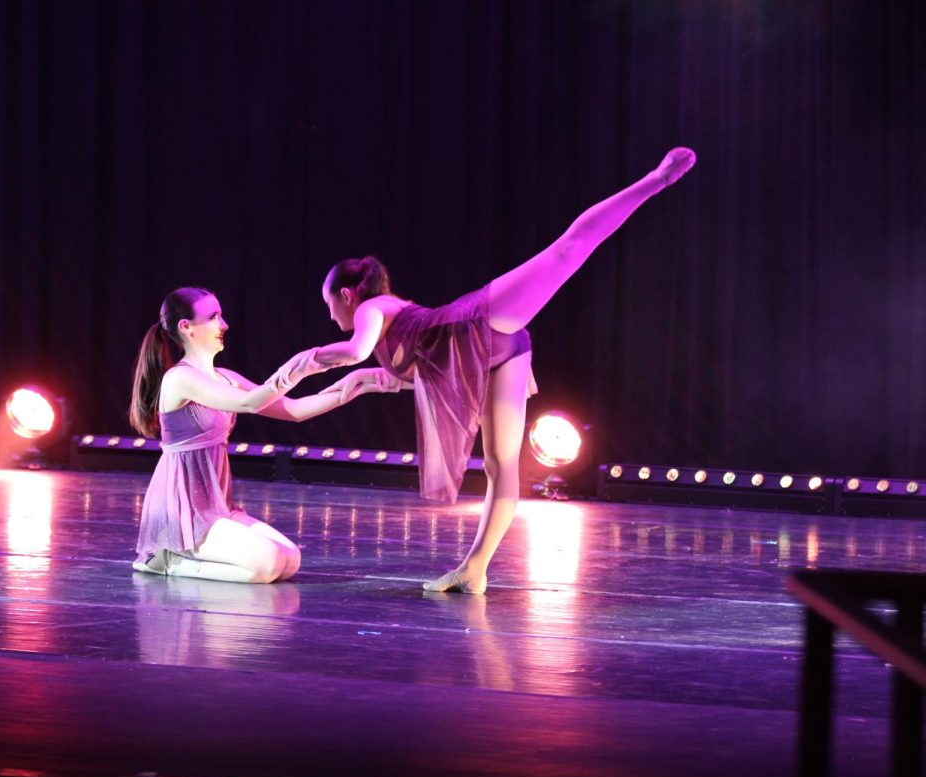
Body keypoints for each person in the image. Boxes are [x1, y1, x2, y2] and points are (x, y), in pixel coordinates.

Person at [283, 148, 696, 594]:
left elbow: (355, 352)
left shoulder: (374, 308)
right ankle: (475, 568)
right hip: (503, 353)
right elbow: (377, 378)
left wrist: (305, 362)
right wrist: (278, 394)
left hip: (477, 321)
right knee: (501, 466)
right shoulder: (390, 348)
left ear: (346, 294)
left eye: (329, 305)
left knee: (563, 254)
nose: (330, 315)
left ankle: (655, 179)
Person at [129, 287, 400, 584]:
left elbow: (294, 410)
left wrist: (355, 384)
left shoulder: (226, 378)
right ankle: (167, 561)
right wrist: (297, 369)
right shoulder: (180, 378)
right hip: (182, 510)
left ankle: (180, 557)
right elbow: (251, 401)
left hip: (215, 506)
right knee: (267, 564)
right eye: (214, 317)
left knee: (290, 558)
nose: (224, 324)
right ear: (186, 328)